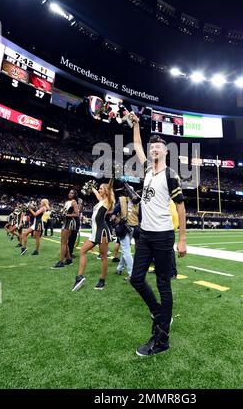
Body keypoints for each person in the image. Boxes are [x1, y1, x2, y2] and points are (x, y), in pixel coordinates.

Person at [129, 114, 186, 356]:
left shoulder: (170, 174)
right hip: (145, 235)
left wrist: (182, 239)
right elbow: (138, 146)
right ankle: (159, 312)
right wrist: (136, 125)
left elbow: (182, 208)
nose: (153, 149)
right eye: (152, 147)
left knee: (164, 285)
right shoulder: (147, 171)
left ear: (165, 152)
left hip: (163, 236)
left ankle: (162, 341)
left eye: (158, 147)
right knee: (136, 279)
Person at [72, 180, 115, 291]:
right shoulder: (101, 200)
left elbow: (109, 188)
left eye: (101, 188)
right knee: (82, 251)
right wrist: (91, 187)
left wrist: (112, 177)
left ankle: (102, 280)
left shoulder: (108, 201)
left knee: (103, 256)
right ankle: (79, 277)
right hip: (95, 232)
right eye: (99, 188)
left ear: (106, 190)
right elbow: (95, 192)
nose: (99, 190)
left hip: (102, 232)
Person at [111, 191, 139, 281]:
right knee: (125, 249)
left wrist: (113, 223)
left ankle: (132, 274)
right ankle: (119, 269)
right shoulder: (138, 202)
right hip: (133, 228)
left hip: (124, 227)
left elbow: (114, 213)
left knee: (126, 250)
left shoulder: (122, 200)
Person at [52, 190, 79, 268]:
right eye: (69, 193)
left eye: (72, 193)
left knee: (63, 243)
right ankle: (69, 259)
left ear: (74, 195)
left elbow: (77, 214)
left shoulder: (74, 202)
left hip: (69, 223)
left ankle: (61, 262)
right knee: (63, 242)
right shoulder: (67, 202)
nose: (70, 194)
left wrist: (66, 215)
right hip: (65, 222)